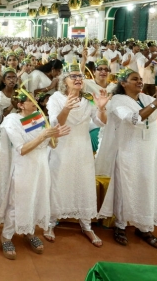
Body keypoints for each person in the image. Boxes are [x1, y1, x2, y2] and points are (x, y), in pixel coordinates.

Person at [97, 70, 157, 248]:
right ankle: (120, 226)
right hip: (128, 151)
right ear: (123, 83)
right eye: (134, 79)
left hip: (149, 151)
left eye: (141, 79)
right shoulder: (117, 100)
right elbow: (134, 118)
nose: (140, 81)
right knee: (125, 187)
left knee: (148, 186)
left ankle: (144, 227)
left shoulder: (146, 98)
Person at [0, 92, 70, 259]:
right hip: (23, 168)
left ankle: (29, 231)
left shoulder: (37, 117)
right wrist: (44, 135)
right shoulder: (12, 120)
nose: (35, 101)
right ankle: (6, 236)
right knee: (17, 203)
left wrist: (54, 136)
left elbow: (51, 145)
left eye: (34, 99)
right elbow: (22, 149)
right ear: (21, 105)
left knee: (36, 200)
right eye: (30, 100)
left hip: (41, 167)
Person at [45, 63, 110, 246]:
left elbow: (101, 122)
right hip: (62, 147)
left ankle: (86, 224)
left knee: (84, 182)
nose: (78, 79)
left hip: (82, 147)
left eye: (80, 76)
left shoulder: (88, 99)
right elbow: (56, 124)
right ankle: (50, 222)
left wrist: (101, 108)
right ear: (64, 81)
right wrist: (66, 108)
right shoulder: (56, 98)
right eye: (73, 76)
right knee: (58, 182)